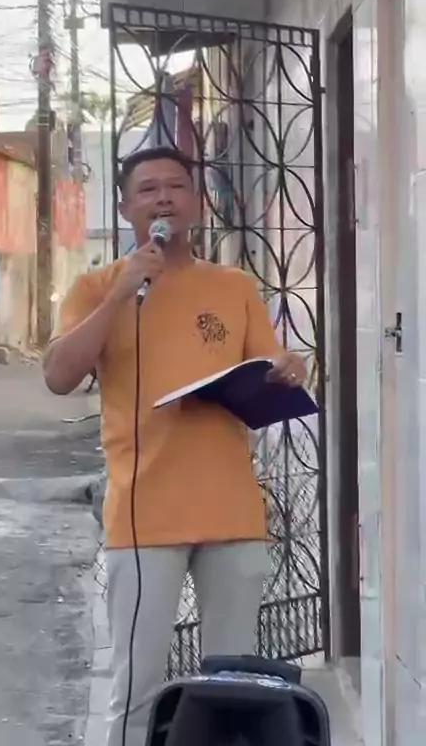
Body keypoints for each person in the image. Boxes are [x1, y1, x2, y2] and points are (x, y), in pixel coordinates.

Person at [43, 146, 306, 746]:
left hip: (231, 513)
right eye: (148, 189)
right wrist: (121, 294)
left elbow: (266, 371)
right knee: (137, 692)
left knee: (233, 689)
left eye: (176, 186)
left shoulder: (234, 286)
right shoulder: (96, 287)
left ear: (196, 201)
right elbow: (58, 376)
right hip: (144, 515)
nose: (164, 198)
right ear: (125, 208)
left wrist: (288, 370)